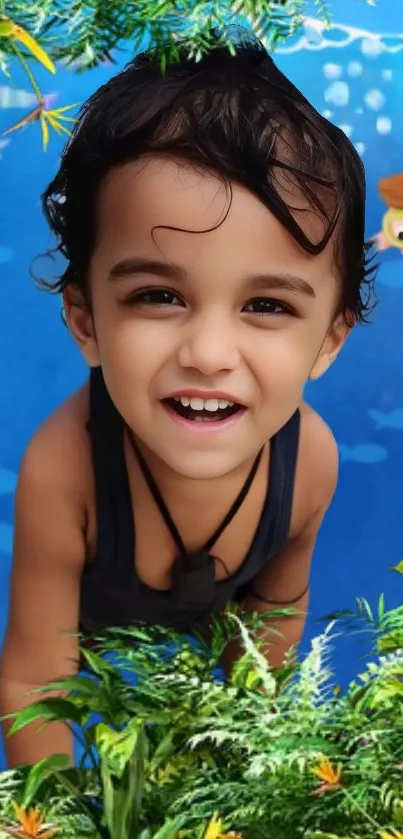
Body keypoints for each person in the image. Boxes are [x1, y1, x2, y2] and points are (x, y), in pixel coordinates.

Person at [0, 30, 375, 768]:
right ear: (86, 321)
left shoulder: (309, 465)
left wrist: (250, 759)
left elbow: (272, 613)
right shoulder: (65, 467)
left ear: (329, 340)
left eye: (267, 306)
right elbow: (33, 676)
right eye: (157, 295)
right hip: (94, 620)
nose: (207, 353)